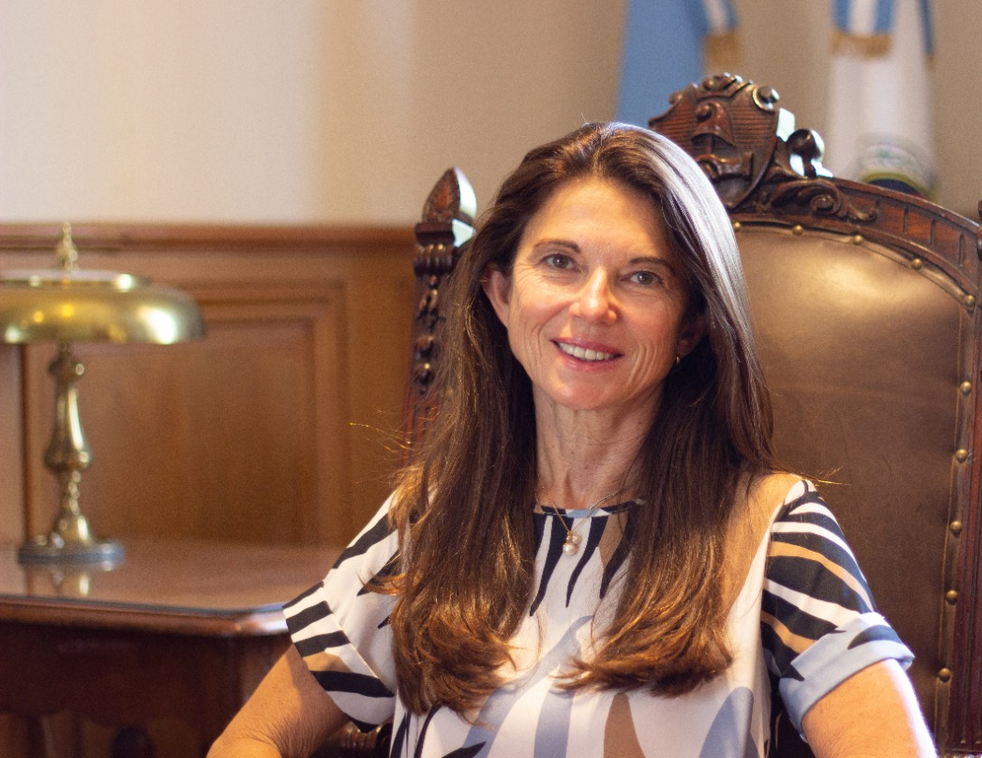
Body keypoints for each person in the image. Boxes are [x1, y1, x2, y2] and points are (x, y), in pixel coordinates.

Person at [208, 122, 935, 758]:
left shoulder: (775, 532)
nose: (593, 306)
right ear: (500, 292)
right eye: (560, 262)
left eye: (642, 277)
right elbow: (251, 739)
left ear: (691, 326)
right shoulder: (432, 518)